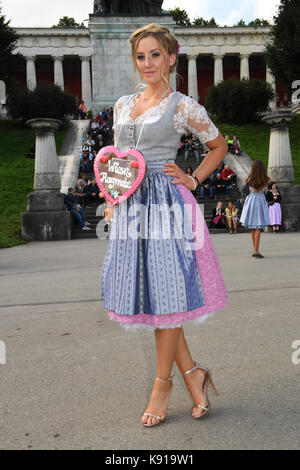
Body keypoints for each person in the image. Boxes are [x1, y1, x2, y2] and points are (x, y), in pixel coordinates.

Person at [99, 23, 228, 428]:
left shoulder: (183, 105)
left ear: (171, 57)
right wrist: (111, 196)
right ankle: (194, 374)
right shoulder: (122, 104)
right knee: (155, 296)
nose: (148, 63)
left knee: (168, 294)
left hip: (167, 206)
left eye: (156, 54)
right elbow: (117, 159)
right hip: (131, 206)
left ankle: (162, 383)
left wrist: (193, 178)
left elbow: (218, 145)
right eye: (141, 56)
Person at [240, 160, 271, 258]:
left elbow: (245, 188)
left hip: (251, 201)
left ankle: (255, 249)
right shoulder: (265, 179)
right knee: (258, 227)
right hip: (260, 200)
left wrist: (250, 173)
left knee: (253, 228)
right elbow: (266, 187)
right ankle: (256, 250)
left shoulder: (249, 180)